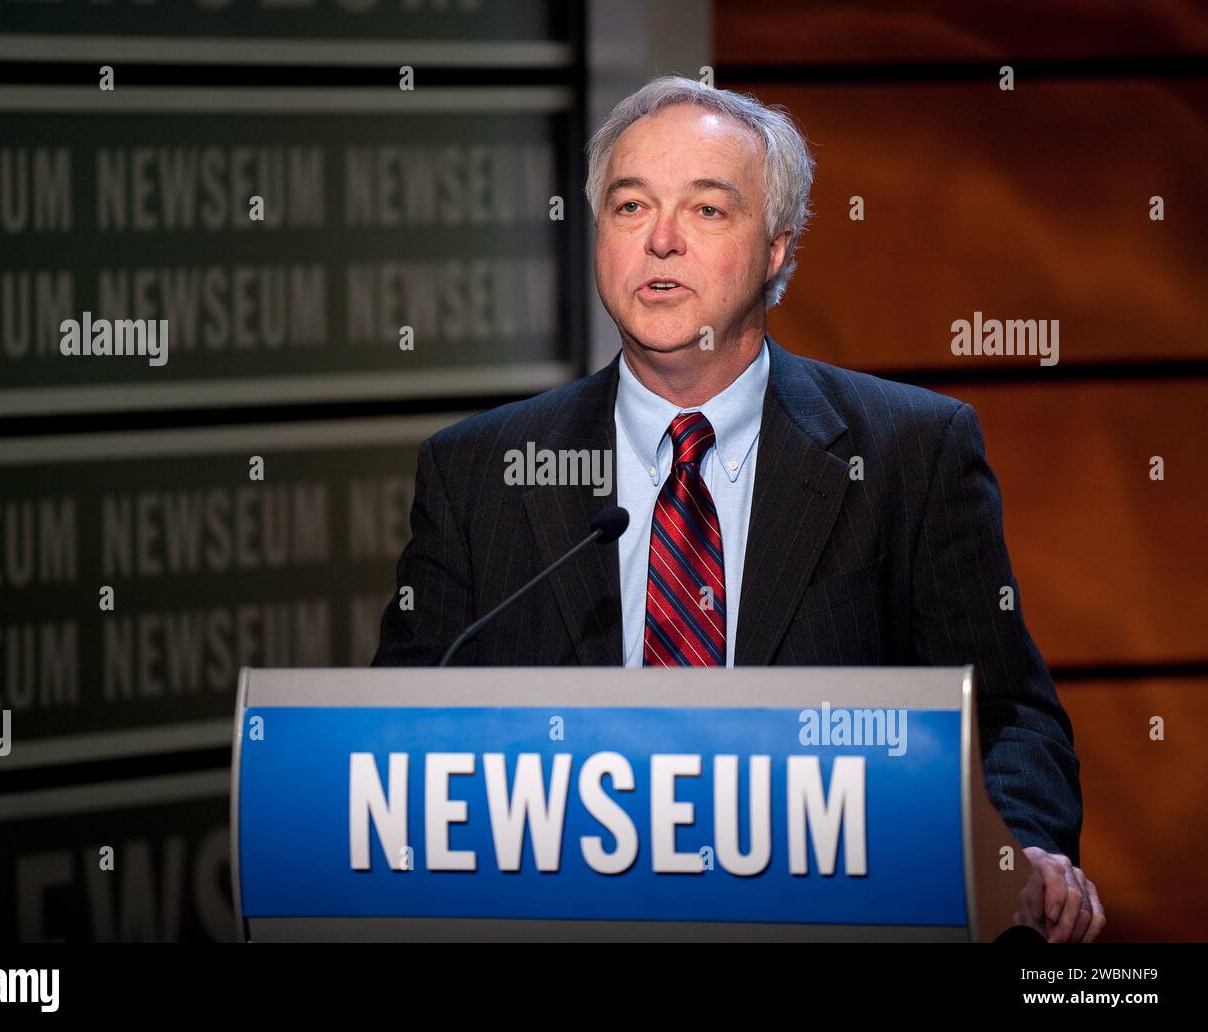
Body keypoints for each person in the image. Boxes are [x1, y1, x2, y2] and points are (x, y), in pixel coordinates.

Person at [372, 75, 1103, 942]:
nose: (662, 241)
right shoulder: (478, 470)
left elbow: (1010, 717)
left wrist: (1013, 852)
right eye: (630, 206)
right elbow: (400, 746)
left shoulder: (912, 450)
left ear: (778, 248)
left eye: (708, 211)